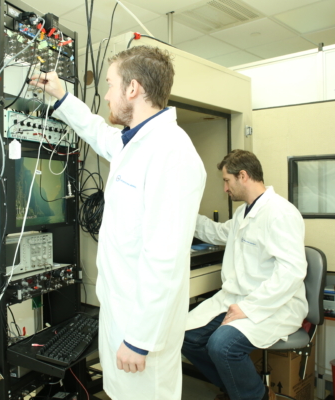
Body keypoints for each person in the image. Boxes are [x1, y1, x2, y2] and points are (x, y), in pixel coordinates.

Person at [30, 45, 206, 400]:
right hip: (122, 314)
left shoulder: (172, 153)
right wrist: (61, 96)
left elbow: (164, 258)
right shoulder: (135, 143)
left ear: (133, 88)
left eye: (110, 85)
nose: (107, 95)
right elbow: (97, 131)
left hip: (143, 331)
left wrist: (139, 340)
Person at [183, 150, 308, 400]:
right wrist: (184, 213)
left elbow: (291, 271)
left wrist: (249, 307)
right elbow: (218, 233)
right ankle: (238, 390)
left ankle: (257, 396)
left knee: (222, 345)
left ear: (243, 176)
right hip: (237, 298)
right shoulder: (243, 213)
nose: (225, 188)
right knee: (186, 336)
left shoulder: (280, 213)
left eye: (227, 181)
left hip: (275, 304)